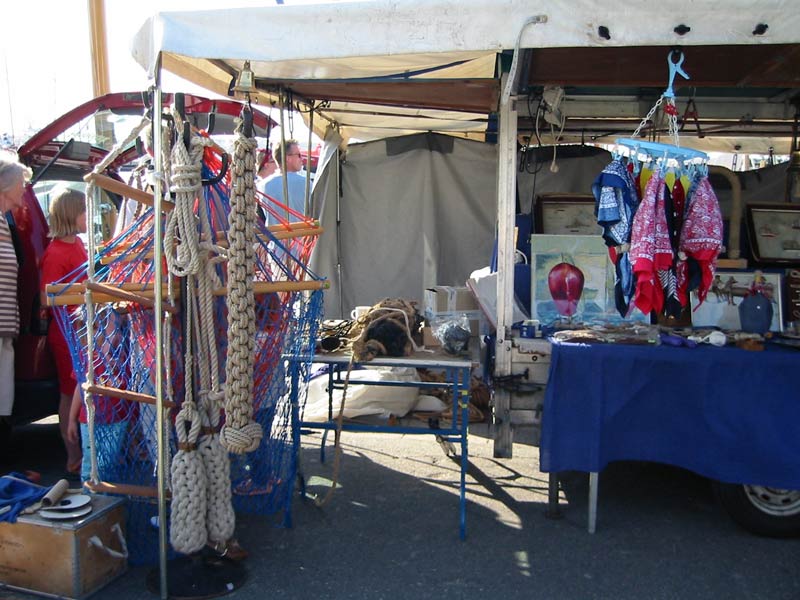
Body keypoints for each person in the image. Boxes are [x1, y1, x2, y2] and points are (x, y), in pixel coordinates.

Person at [40, 187, 88, 474]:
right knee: (70, 390)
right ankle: (73, 455)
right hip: (66, 331)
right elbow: (48, 297)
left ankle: (82, 451)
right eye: (84, 211)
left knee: (81, 387)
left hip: (81, 329)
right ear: (73, 214)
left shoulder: (77, 245)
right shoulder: (56, 252)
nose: (87, 216)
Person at [0, 154, 32, 422]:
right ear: (5, 187)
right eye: (21, 183)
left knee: (4, 404)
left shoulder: (4, 222)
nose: (25, 188)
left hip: (5, 328)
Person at [257, 139, 308, 226]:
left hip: (275, 238)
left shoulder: (262, 186)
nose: (301, 158)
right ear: (287, 158)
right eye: (298, 155)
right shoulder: (306, 183)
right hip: (300, 237)